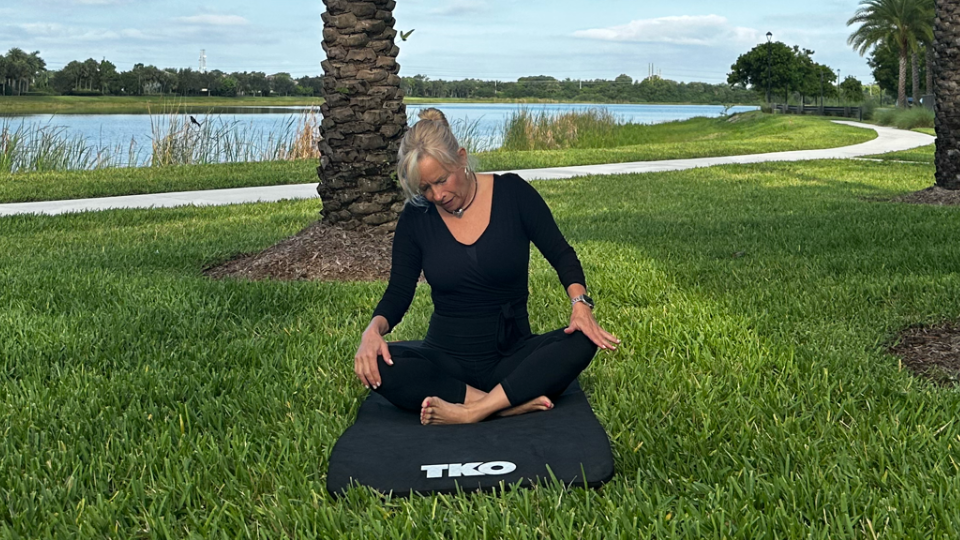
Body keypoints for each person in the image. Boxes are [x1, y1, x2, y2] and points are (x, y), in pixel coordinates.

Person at [353, 108, 619, 425]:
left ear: (461, 159)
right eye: (425, 188)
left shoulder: (513, 194)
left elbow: (561, 253)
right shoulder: (416, 218)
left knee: (582, 339)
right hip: (446, 360)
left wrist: (580, 304)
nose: (437, 195)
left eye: (441, 180)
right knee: (380, 365)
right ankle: (505, 405)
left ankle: (473, 411)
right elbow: (399, 291)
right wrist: (373, 329)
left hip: (513, 357)